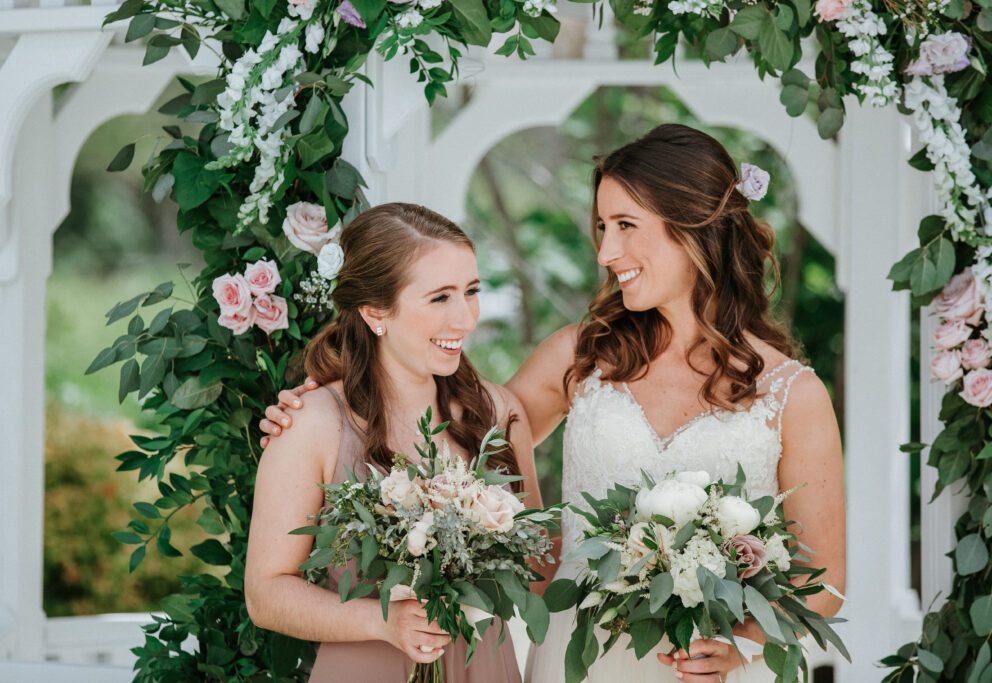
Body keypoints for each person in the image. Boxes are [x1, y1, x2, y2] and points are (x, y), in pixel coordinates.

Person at [260, 124, 846, 682]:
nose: (605, 252)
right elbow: (459, 438)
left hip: (710, 669)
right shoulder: (580, 356)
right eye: (601, 227)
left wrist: (740, 645)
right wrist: (319, 407)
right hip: (578, 655)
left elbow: (826, 582)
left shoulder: (792, 393)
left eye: (625, 225)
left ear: (693, 225)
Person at [245, 203, 541, 683]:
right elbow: (266, 594)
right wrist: (381, 620)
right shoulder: (312, 423)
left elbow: (538, 569)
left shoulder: (498, 413)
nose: (465, 319)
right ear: (375, 311)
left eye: (471, 291)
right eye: (440, 298)